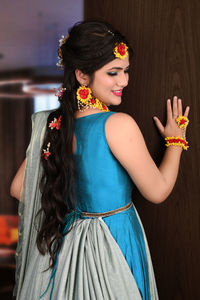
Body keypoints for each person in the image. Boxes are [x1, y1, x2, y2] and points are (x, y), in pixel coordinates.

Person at [10, 20, 190, 300]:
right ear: (82, 75)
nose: (124, 81)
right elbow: (157, 191)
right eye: (113, 72)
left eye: (126, 71)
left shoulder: (54, 125)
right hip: (112, 241)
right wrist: (176, 140)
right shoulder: (117, 124)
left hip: (69, 245)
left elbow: (19, 188)